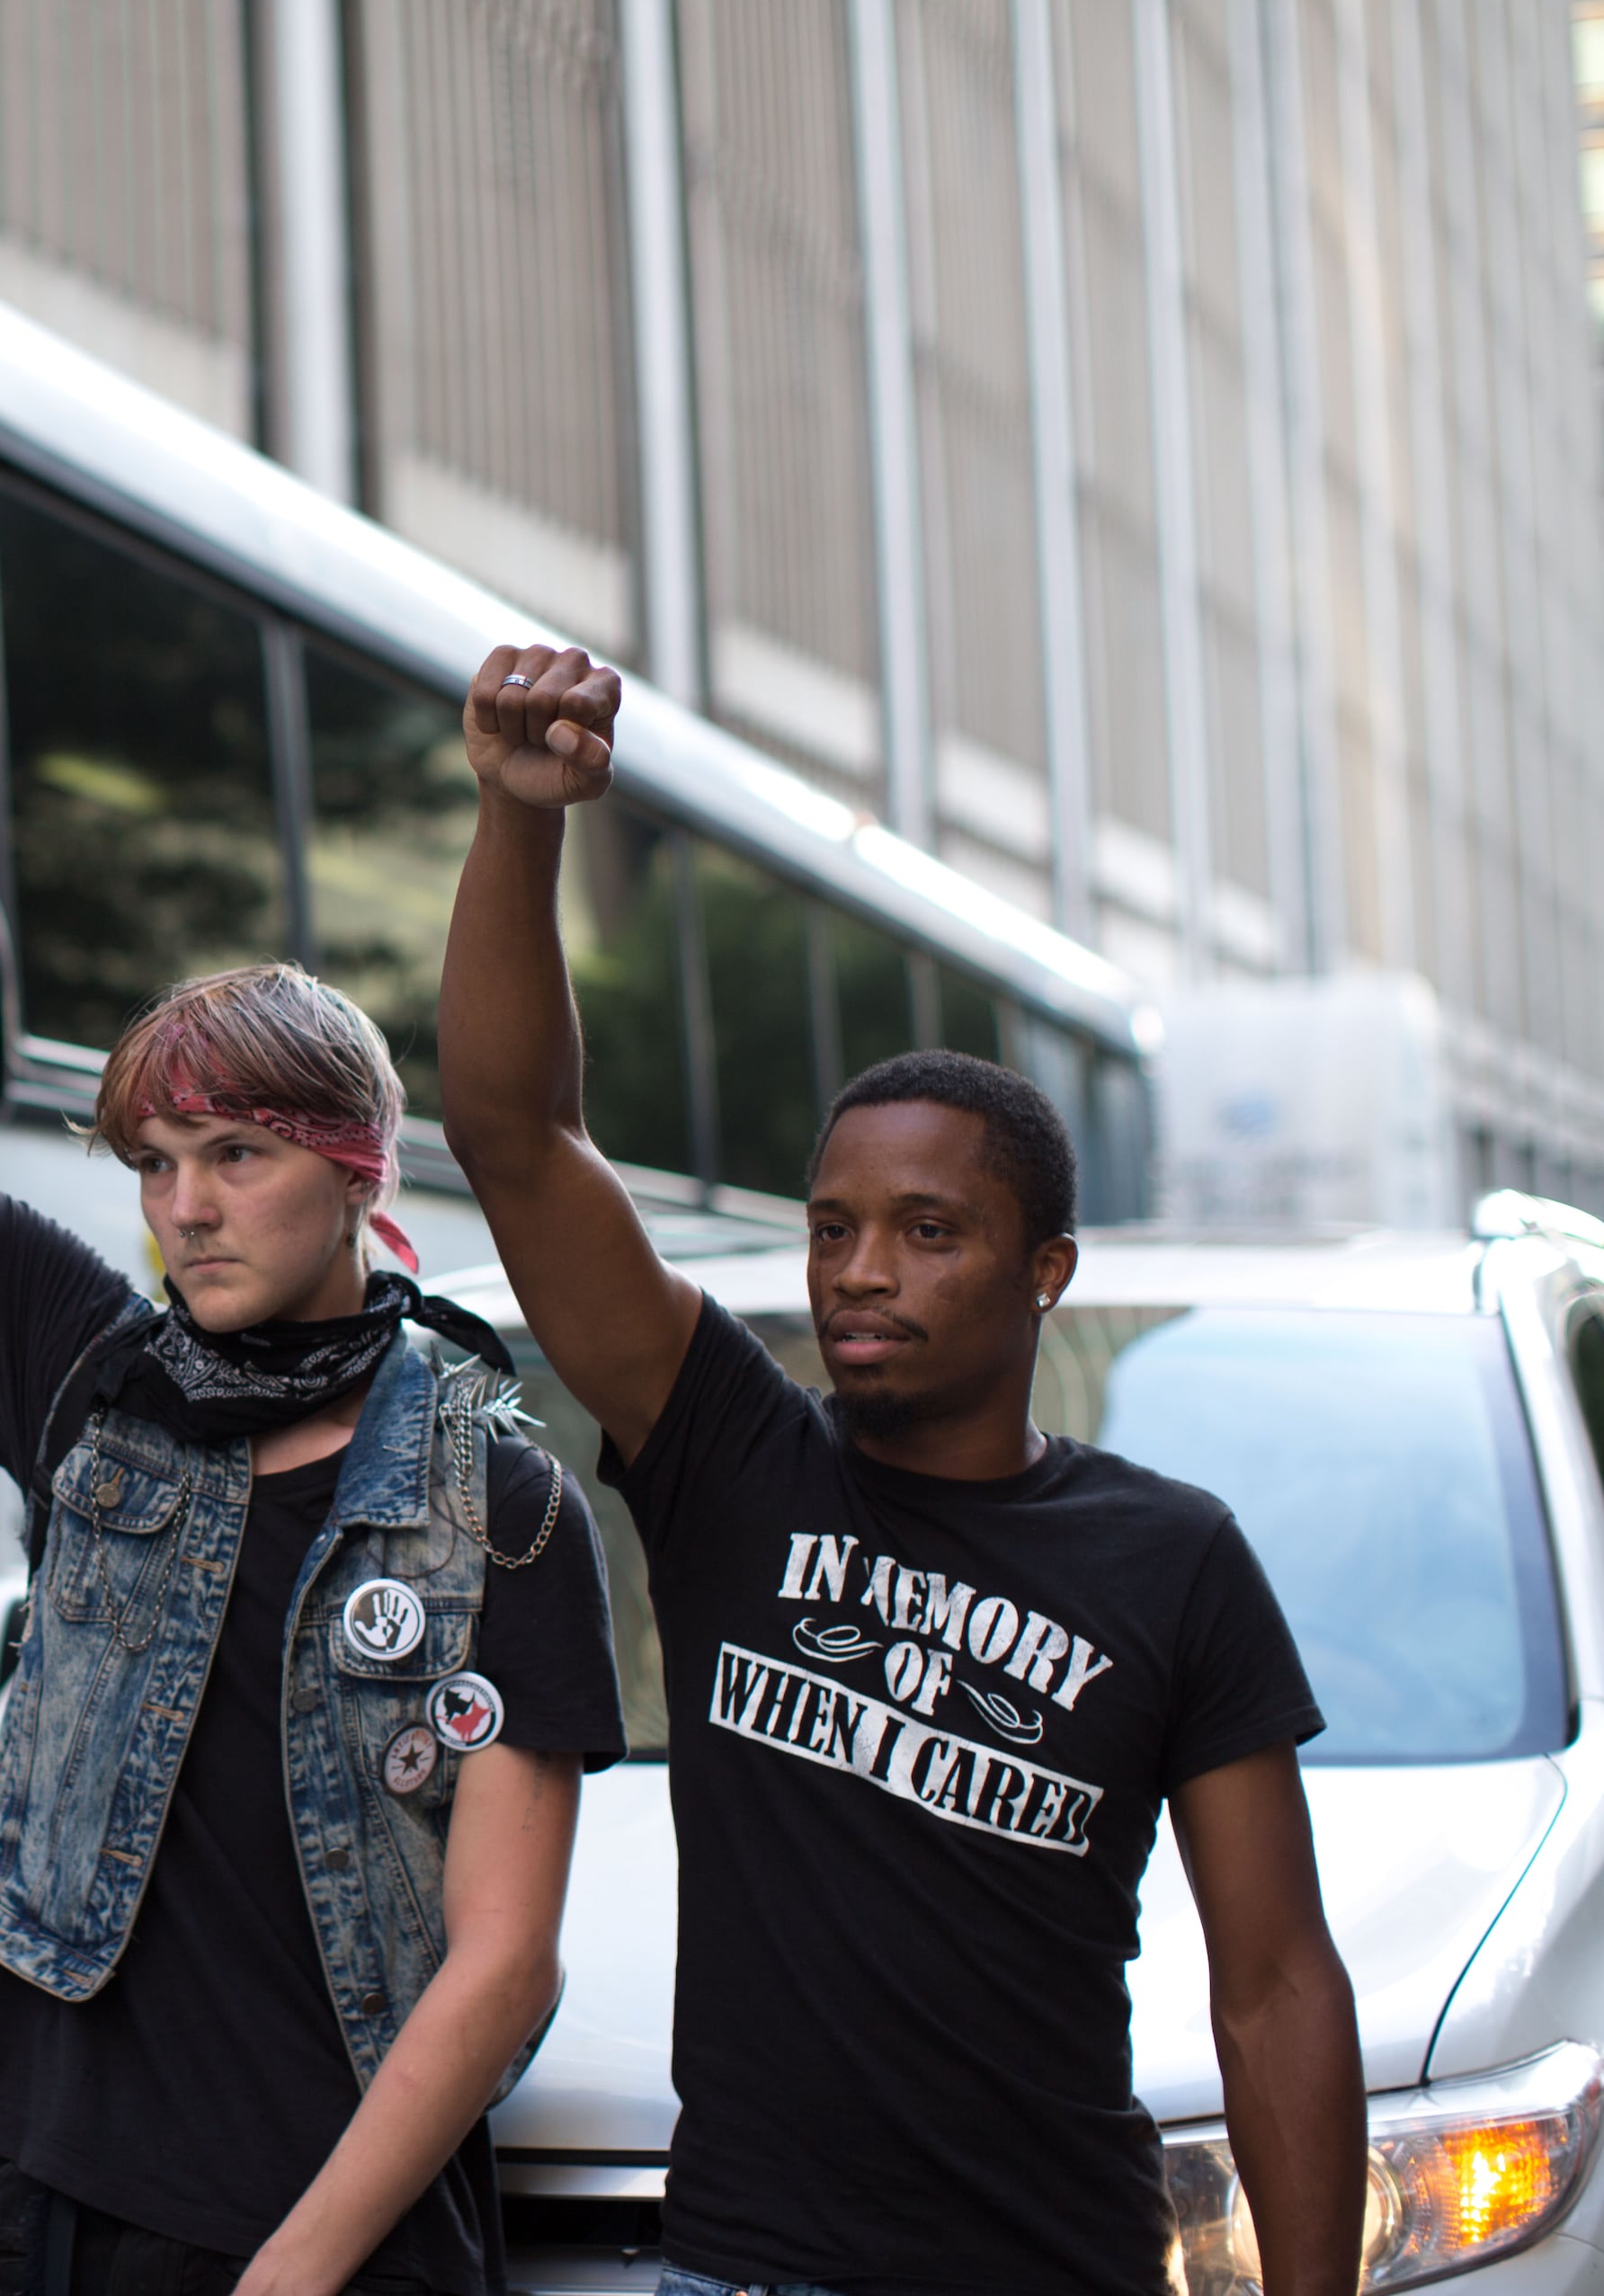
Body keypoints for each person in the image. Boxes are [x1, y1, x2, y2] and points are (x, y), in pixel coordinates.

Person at [0, 520, 630, 2296]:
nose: (182, 1202)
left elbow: (504, 1963)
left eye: (239, 1154)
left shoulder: (496, 1497)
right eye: (157, 1158)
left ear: (352, 1176)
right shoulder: (94, 1375)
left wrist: (292, 2269)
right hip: (13, 2203)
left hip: (317, 2237)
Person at [431, 642, 1368, 2295]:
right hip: (748, 2269)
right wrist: (521, 820)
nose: (861, 1270)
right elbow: (519, 1137)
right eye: (836, 1228)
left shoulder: (1173, 1558)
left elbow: (1277, 1979)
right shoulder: (732, 1457)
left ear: (1045, 1271)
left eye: (930, 1233)